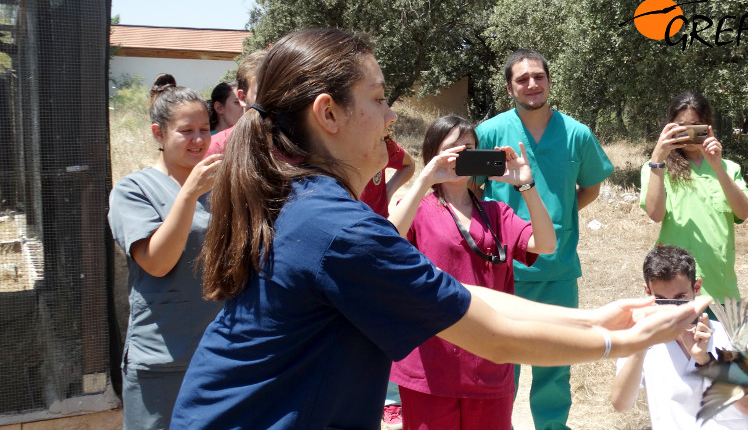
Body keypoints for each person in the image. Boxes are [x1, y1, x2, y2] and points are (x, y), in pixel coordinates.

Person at [169, 28, 707, 429]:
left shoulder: (307, 204)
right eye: (378, 98)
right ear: (328, 114)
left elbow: (454, 291)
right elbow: (494, 338)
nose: (390, 117)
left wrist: (592, 317)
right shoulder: (334, 228)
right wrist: (622, 341)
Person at [474, 49, 615, 429]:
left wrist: (551, 227)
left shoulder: (576, 134)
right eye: (522, 79)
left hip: (557, 270)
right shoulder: (490, 134)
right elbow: (470, 188)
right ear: (509, 88)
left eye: (539, 76)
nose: (532, 84)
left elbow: (590, 187)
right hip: (502, 270)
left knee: (555, 365)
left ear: (550, 81)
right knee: (501, 365)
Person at [388, 115, 556, 429]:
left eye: (470, 149)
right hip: (430, 366)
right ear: (434, 155)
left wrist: (527, 185)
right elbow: (386, 242)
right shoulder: (415, 208)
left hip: (488, 361)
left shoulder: (496, 212)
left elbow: (546, 244)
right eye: (454, 149)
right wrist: (424, 179)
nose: (463, 155)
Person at [107, 85, 223, 429]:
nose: (198, 140)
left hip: (219, 352)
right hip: (163, 359)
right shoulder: (133, 190)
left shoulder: (220, 187)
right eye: (186, 131)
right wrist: (189, 194)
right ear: (159, 133)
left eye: (204, 129)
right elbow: (157, 263)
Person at [611, 245, 748, 429]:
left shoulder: (735, 338)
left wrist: (706, 361)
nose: (673, 310)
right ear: (648, 293)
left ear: (697, 287)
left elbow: (747, 406)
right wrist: (641, 346)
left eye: (680, 298)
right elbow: (621, 405)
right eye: (662, 300)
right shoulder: (641, 341)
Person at [640, 91, 748, 305]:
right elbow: (655, 214)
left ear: (708, 126)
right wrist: (657, 158)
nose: (688, 133)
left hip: (720, 286)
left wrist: (717, 166)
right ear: (669, 127)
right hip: (674, 288)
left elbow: (744, 212)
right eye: (681, 126)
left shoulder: (729, 168)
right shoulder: (656, 168)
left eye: (695, 126)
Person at [358, 135, 415, 429]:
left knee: (387, 317)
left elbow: (409, 165)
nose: (389, 116)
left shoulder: (382, 141)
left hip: (378, 234)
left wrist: (387, 192)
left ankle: (391, 398)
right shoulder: (330, 141)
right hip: (342, 234)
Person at [205, 50, 268, 156]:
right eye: (262, 92)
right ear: (242, 98)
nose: (273, 99)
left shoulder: (295, 144)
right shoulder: (215, 148)